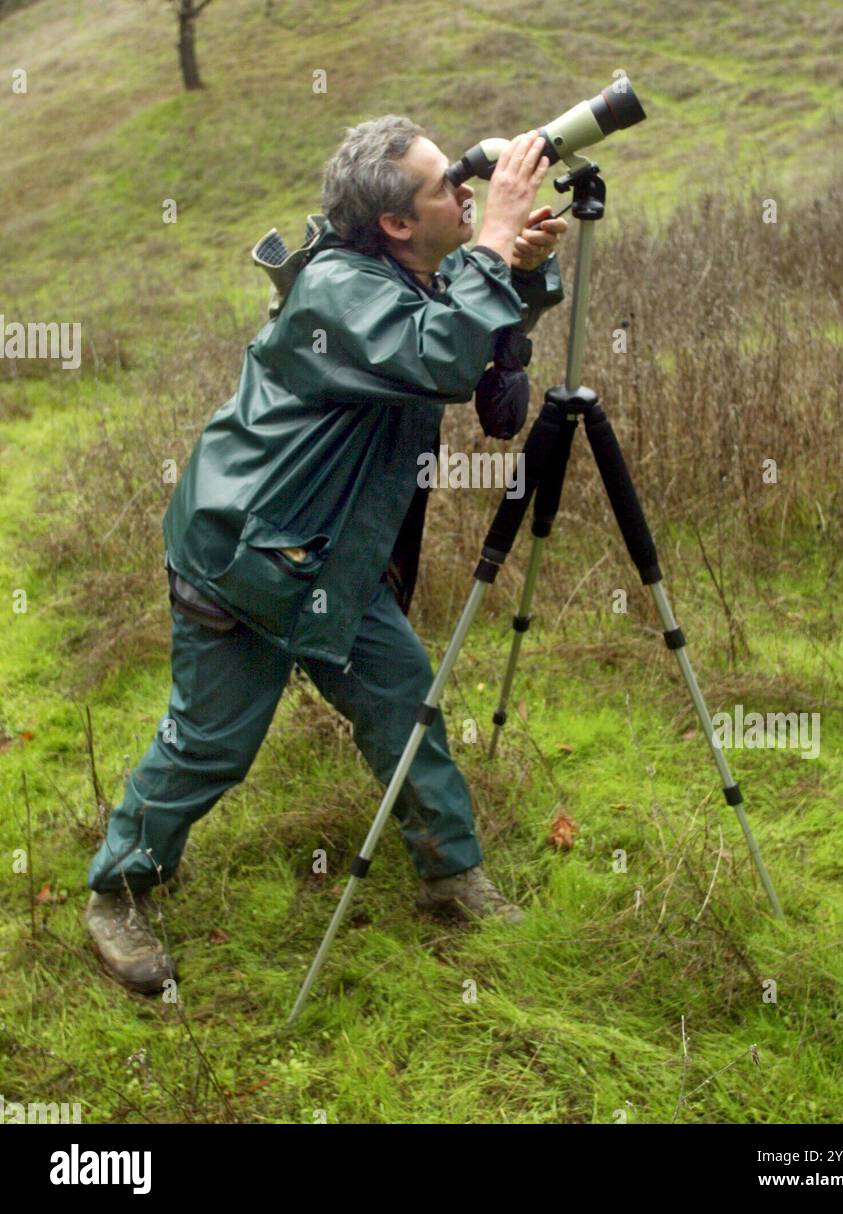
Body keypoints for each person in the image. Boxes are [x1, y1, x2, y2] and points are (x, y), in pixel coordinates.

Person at [84, 119, 567, 993]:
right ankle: (118, 893)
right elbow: (437, 353)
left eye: (459, 177)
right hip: (246, 559)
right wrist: (494, 238)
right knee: (209, 746)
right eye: (442, 186)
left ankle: (450, 877)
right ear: (392, 223)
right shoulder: (338, 291)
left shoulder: (409, 272)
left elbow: (476, 345)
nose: (464, 190)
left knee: (402, 706)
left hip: (332, 562)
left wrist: (517, 270)